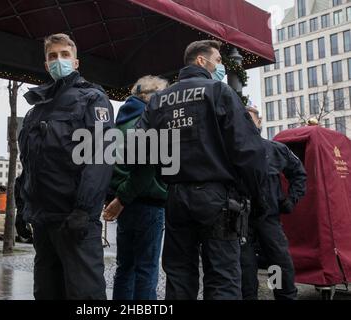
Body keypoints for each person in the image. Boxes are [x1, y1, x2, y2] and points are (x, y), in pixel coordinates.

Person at [136, 40, 268, 300]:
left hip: (176, 197)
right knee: (222, 277)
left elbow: (139, 149)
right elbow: (249, 151)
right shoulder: (219, 91)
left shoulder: (159, 100)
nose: (220, 66)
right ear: (201, 61)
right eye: (218, 60)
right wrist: (257, 198)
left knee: (179, 275)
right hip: (217, 198)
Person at [18, 33, 114, 300]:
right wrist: (22, 205)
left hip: (74, 220)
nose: (58, 60)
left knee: (86, 297)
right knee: (46, 293)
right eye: (52, 56)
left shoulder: (93, 99)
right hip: (43, 220)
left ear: (76, 61)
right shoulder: (36, 108)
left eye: (64, 55)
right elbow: (29, 161)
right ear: (46, 65)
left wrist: (84, 209)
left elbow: (101, 156)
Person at [103, 75, 169, 300]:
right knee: (146, 269)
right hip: (147, 202)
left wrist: (118, 198)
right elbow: (147, 169)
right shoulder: (148, 121)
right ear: (150, 96)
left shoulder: (120, 121)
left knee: (125, 267)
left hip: (123, 204)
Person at [240, 106, 307, 300]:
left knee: (278, 265)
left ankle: (280, 296)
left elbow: (298, 174)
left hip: (269, 221)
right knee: (246, 270)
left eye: (251, 119)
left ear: (260, 122)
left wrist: (291, 200)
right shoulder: (231, 153)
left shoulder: (275, 150)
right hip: (241, 224)